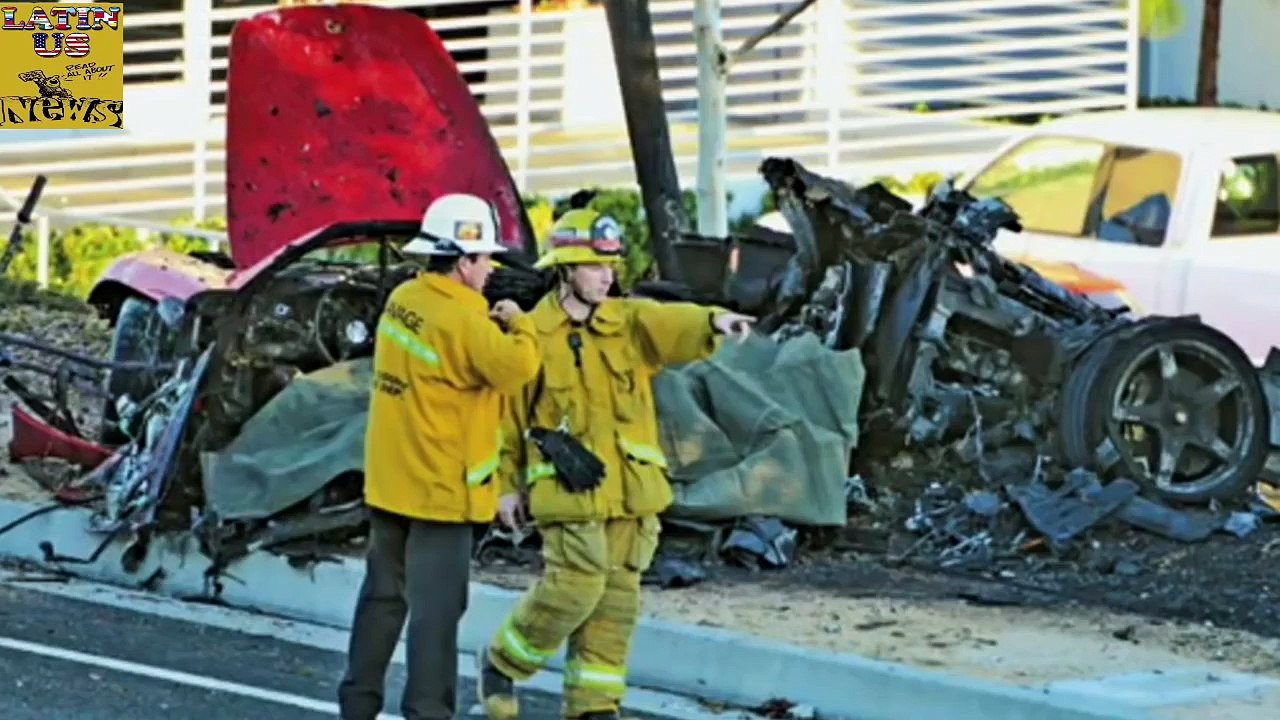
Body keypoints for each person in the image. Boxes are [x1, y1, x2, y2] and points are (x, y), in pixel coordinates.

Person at [475, 208, 755, 720]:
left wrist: (714, 319)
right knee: (576, 587)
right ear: (565, 269)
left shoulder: (627, 322)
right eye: (594, 267)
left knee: (616, 602)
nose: (607, 276)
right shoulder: (531, 333)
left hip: (632, 492)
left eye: (610, 267)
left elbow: (672, 322)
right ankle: (502, 663)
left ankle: (594, 707)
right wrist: (504, 487)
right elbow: (507, 418)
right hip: (567, 489)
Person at [338, 193, 542, 720]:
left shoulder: (404, 298)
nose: (492, 268)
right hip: (442, 495)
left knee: (382, 600)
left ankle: (356, 705)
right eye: (485, 258)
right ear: (462, 260)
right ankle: (429, 713)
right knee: (436, 616)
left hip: (392, 484)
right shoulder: (466, 321)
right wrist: (520, 322)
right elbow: (518, 368)